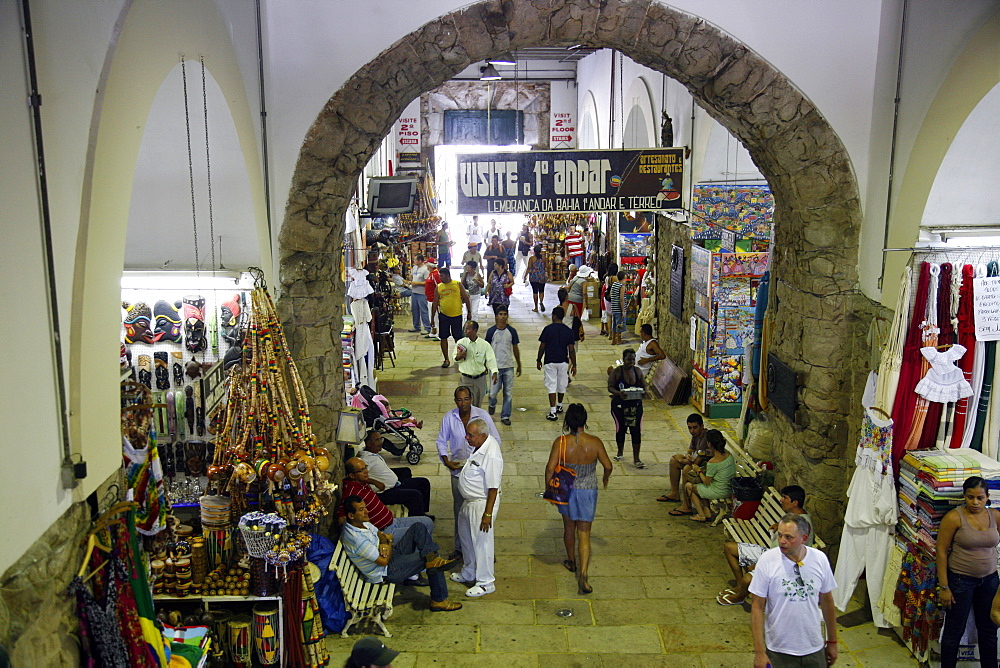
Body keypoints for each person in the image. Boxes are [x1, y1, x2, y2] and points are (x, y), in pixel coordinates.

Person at [340, 496, 462, 614]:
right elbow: (383, 562)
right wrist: (389, 543)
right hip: (386, 572)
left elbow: (381, 534)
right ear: (351, 515)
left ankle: (433, 562)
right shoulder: (356, 539)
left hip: (390, 555)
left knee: (418, 528)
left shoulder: (361, 523)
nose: (367, 511)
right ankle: (439, 600)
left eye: (365, 507)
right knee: (430, 556)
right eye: (361, 510)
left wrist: (384, 542)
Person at [750, 514, 837, 668]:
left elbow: (827, 601)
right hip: (779, 650)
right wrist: (759, 652)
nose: (782, 541)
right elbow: (757, 607)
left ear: (804, 538)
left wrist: (832, 641)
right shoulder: (767, 560)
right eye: (780, 535)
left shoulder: (819, 559)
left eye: (789, 537)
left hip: (814, 648)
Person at [545, 404, 613, 595]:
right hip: (588, 490)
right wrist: (605, 478)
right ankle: (583, 574)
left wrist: (549, 489)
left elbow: (550, 468)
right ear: (585, 420)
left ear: (567, 421)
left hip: (566, 490)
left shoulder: (561, 442)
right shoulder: (595, 442)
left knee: (569, 528)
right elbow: (608, 465)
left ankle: (571, 562)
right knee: (584, 533)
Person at [936, 475, 1000, 668]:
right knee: (954, 630)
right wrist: (944, 587)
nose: (975, 502)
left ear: (987, 497)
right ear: (964, 496)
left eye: (980, 498)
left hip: (989, 580)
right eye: (970, 497)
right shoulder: (954, 517)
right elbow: (941, 550)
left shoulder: (995, 516)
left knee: (989, 629)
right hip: (960, 581)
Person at [718, 485, 812, 606]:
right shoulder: (795, 516)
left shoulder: (801, 525)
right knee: (729, 547)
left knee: (748, 579)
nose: (781, 500)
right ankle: (738, 586)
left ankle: (739, 597)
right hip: (770, 553)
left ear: (795, 502)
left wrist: (761, 564)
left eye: (785, 498)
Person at [436, 386, 501, 551]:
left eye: (466, 399)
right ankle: (460, 548)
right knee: (460, 511)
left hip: (478, 473)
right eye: (459, 399)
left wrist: (481, 457)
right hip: (458, 470)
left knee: (481, 511)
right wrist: (446, 460)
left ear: (471, 399)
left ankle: (483, 547)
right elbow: (441, 441)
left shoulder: (483, 416)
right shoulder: (449, 418)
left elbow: (495, 440)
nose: (462, 403)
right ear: (455, 400)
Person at [452, 418, 503, 597]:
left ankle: (486, 582)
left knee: (482, 542)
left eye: (471, 435)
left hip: (482, 504)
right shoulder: (480, 446)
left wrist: (487, 514)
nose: (467, 438)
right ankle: (469, 571)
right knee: (466, 537)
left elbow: (493, 488)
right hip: (470, 502)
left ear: (483, 435)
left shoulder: (492, 454)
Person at [337, 458, 434, 539]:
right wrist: (372, 532)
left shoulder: (361, 483)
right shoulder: (351, 493)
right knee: (421, 531)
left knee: (428, 522)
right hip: (385, 531)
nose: (366, 471)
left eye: (365, 468)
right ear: (352, 475)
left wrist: (370, 480)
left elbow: (381, 486)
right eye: (361, 470)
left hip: (392, 521)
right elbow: (342, 519)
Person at [359, 429, 432, 517]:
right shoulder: (365, 460)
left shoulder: (372, 453)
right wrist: (374, 482)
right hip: (385, 492)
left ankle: (422, 512)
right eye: (377, 440)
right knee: (415, 495)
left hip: (395, 484)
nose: (380, 442)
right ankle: (418, 517)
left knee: (422, 482)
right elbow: (361, 477)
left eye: (380, 439)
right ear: (368, 444)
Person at [669, 429, 736, 522]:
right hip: (728, 488)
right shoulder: (728, 455)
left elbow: (707, 482)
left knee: (688, 486)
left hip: (719, 491)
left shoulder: (713, 462)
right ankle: (707, 512)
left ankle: (701, 514)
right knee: (700, 486)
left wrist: (699, 471)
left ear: (709, 444)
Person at [607, 349, 646, 468]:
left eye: (633, 359)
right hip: (619, 406)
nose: (631, 362)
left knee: (636, 431)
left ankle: (636, 458)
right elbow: (610, 387)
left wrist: (643, 392)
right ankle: (620, 452)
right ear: (623, 360)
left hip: (635, 406)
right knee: (621, 429)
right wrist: (619, 393)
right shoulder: (617, 372)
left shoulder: (638, 372)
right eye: (629, 359)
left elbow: (644, 386)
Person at [537, 306, 577, 421]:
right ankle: (559, 405)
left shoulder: (548, 329)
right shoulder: (568, 331)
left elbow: (542, 346)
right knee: (561, 384)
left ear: (554, 316)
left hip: (550, 361)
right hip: (563, 361)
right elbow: (571, 350)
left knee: (551, 386)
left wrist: (538, 359)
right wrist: (574, 365)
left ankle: (553, 411)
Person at [657, 414, 709, 502]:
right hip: (698, 461)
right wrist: (688, 455)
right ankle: (675, 493)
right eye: (689, 428)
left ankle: (686, 504)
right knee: (674, 461)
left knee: (687, 469)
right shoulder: (696, 434)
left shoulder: (706, 438)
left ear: (702, 426)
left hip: (706, 466)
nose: (692, 431)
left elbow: (696, 462)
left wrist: (682, 460)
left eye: (695, 427)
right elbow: (690, 449)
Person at [485, 306, 521, 426]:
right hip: (495, 368)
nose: (503, 316)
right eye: (500, 314)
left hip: (508, 366)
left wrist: (518, 364)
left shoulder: (511, 331)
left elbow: (515, 348)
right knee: (493, 393)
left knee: (508, 393)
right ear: (496, 316)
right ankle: (492, 403)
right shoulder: (491, 332)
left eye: (505, 314)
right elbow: (487, 349)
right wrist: (485, 365)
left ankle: (505, 415)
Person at [431, 267, 471, 369]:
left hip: (456, 315)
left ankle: (460, 356)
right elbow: (435, 302)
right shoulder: (439, 287)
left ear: (448, 275)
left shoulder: (457, 284)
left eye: (442, 276)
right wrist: (432, 318)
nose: (440, 277)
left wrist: (469, 311)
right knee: (443, 337)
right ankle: (446, 359)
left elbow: (465, 297)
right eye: (440, 275)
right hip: (444, 315)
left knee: (458, 337)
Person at [455, 320, 498, 407]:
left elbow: (491, 359)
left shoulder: (484, 345)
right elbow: (455, 358)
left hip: (480, 380)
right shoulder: (461, 343)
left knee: (477, 406)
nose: (465, 331)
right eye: (465, 329)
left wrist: (494, 371)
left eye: (468, 329)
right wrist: (460, 356)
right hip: (465, 379)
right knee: (464, 405)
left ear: (475, 330)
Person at [408, 254, 431, 334]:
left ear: (420, 261)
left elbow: (427, 282)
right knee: (415, 310)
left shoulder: (425, 270)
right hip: (414, 292)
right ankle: (416, 326)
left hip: (422, 293)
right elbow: (411, 276)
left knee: (423, 310)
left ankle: (427, 327)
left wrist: (417, 283)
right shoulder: (414, 268)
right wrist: (411, 279)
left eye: (415, 259)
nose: (414, 261)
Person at [525, 243, 547, 312]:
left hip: (533, 277)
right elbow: (547, 267)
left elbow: (529, 268)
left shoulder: (532, 258)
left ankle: (536, 307)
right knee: (541, 290)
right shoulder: (544, 257)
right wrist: (547, 274)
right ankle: (541, 301)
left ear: (534, 251)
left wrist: (525, 276)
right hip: (542, 276)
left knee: (535, 291)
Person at [422, 258, 441, 340]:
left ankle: (439, 333)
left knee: (436, 317)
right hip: (429, 299)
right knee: (432, 317)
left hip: (434, 300)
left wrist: (438, 300)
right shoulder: (431, 274)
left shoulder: (435, 274)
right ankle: (433, 331)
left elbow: (439, 287)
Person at [600, 262, 619, 337]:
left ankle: (610, 334)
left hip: (607, 297)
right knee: (615, 317)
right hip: (614, 298)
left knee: (609, 316)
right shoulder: (615, 278)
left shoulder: (606, 278)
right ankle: (615, 334)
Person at [609, 270, 627, 345]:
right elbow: (621, 299)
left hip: (613, 307)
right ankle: (619, 340)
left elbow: (611, 295)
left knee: (614, 324)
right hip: (619, 308)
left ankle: (613, 340)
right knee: (619, 324)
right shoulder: (621, 286)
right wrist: (623, 310)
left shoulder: (614, 284)